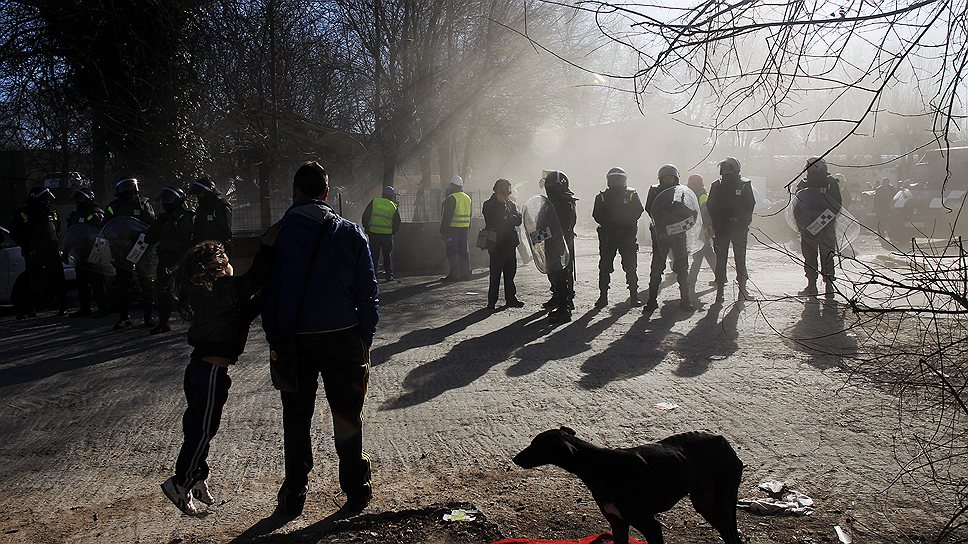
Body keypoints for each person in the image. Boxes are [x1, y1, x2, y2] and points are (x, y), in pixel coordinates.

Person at [261, 161, 379, 517]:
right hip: (343, 338)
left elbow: (267, 293)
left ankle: (294, 492)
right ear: (326, 193)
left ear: (294, 192)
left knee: (296, 418)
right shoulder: (351, 233)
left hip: (294, 341)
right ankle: (356, 487)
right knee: (346, 414)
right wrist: (364, 337)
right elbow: (367, 292)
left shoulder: (275, 237)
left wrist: (275, 336)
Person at [160, 230, 277, 516]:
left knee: (200, 428)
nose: (232, 265)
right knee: (201, 431)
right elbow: (251, 280)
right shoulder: (220, 290)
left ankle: (197, 478)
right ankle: (180, 482)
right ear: (220, 267)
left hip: (202, 370)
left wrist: (263, 296)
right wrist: (267, 249)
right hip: (210, 371)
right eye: (227, 261)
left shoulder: (214, 294)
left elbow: (245, 311)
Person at [105, 177, 157, 329]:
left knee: (146, 282)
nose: (130, 193)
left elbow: (151, 222)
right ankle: (124, 317)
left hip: (141, 248)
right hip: (121, 249)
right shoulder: (113, 207)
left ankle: (148, 316)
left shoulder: (143, 203)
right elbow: (106, 225)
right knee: (123, 284)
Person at [644, 165, 697, 311]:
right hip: (660, 234)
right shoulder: (654, 190)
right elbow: (650, 208)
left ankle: (685, 300)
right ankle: (651, 301)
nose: (668, 179)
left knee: (682, 267)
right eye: (665, 177)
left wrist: (681, 224)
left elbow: (691, 210)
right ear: (660, 178)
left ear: (676, 178)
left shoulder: (682, 192)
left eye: (671, 177)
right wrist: (664, 223)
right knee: (657, 267)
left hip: (679, 234)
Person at [145, 186, 195, 334]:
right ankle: (163, 323)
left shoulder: (189, 217)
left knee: (188, 291)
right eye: (164, 200)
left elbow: (192, 238)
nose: (165, 203)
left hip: (184, 259)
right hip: (166, 259)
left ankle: (196, 321)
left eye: (168, 200)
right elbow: (150, 238)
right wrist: (160, 223)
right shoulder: (162, 218)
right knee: (163, 292)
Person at [9, 187, 65, 318]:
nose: (47, 201)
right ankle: (28, 309)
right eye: (45, 198)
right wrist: (27, 245)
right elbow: (14, 232)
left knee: (58, 279)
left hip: (52, 251)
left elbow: (58, 226)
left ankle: (62, 307)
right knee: (32, 281)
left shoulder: (52, 210)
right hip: (34, 253)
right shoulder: (24, 213)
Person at [706, 157, 756, 303]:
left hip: (739, 228)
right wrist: (716, 222)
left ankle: (743, 290)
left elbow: (749, 204)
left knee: (740, 260)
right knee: (721, 261)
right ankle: (720, 291)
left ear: (735, 169)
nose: (726, 171)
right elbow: (710, 205)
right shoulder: (716, 185)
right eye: (724, 168)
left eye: (729, 168)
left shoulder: (744, 185)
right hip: (721, 227)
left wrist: (739, 219)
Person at [592, 167, 644, 307]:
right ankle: (603, 297)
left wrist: (624, 222)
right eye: (613, 179)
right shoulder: (602, 196)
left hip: (626, 236)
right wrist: (611, 223)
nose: (616, 181)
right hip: (608, 237)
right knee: (604, 267)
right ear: (608, 180)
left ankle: (634, 296)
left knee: (630, 267)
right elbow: (596, 214)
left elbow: (639, 210)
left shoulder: (632, 194)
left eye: (618, 178)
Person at [794, 157, 842, 297]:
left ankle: (829, 285)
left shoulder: (830, 182)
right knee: (809, 256)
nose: (813, 169)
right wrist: (803, 224)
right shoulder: (803, 183)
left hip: (826, 226)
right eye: (811, 166)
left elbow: (837, 204)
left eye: (816, 166)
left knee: (827, 255)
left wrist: (821, 222)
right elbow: (796, 204)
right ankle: (811, 284)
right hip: (807, 227)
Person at [482, 178, 524, 310]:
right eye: (503, 194)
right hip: (496, 245)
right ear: (496, 192)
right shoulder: (488, 205)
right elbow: (495, 220)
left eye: (507, 194)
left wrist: (508, 218)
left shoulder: (511, 204)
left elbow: (518, 219)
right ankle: (492, 301)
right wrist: (507, 216)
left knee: (510, 273)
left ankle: (511, 299)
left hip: (509, 244)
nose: (505, 197)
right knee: (495, 274)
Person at [66, 188, 107, 317]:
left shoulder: (96, 214)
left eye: (80, 199)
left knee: (96, 281)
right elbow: (70, 233)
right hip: (80, 253)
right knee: (81, 282)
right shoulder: (74, 215)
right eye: (77, 200)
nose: (77, 202)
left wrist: (98, 252)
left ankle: (102, 307)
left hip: (93, 252)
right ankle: (85, 307)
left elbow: (101, 234)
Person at [544, 170, 577, 324]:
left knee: (562, 273)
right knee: (554, 273)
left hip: (561, 241)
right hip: (552, 241)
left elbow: (565, 224)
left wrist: (549, 233)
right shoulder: (553, 201)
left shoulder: (565, 201)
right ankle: (559, 299)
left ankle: (565, 308)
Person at [362, 185, 402, 282]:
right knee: (387, 256)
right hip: (387, 236)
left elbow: (365, 216)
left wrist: (366, 228)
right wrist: (392, 231)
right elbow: (397, 223)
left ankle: (373, 276)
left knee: (374, 256)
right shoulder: (393, 206)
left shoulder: (374, 202)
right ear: (392, 196)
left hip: (374, 234)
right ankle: (388, 275)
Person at [686, 175, 716, 293]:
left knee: (697, 257)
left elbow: (705, 213)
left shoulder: (689, 195)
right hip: (702, 230)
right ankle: (721, 278)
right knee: (709, 254)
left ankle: (690, 282)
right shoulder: (703, 195)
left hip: (699, 231)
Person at [439, 175, 472, 281]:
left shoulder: (451, 198)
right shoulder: (467, 198)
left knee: (452, 252)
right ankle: (465, 273)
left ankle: (454, 274)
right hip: (465, 229)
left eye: (451, 185)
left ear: (453, 185)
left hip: (453, 229)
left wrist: (443, 231)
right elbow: (470, 215)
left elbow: (446, 217)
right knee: (464, 251)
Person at [190, 177, 233, 253]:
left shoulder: (220, 206)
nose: (198, 197)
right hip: (202, 249)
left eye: (200, 194)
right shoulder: (201, 208)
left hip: (217, 250)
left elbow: (224, 231)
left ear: (208, 193)